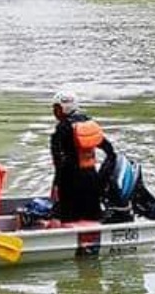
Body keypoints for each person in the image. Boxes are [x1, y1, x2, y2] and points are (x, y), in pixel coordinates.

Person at [49, 90, 116, 224]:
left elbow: (59, 162)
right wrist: (103, 177)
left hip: (69, 180)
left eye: (56, 108)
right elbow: (110, 152)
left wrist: (56, 184)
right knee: (92, 217)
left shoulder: (62, 128)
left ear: (64, 108)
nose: (54, 112)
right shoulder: (89, 123)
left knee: (68, 219)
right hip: (92, 177)